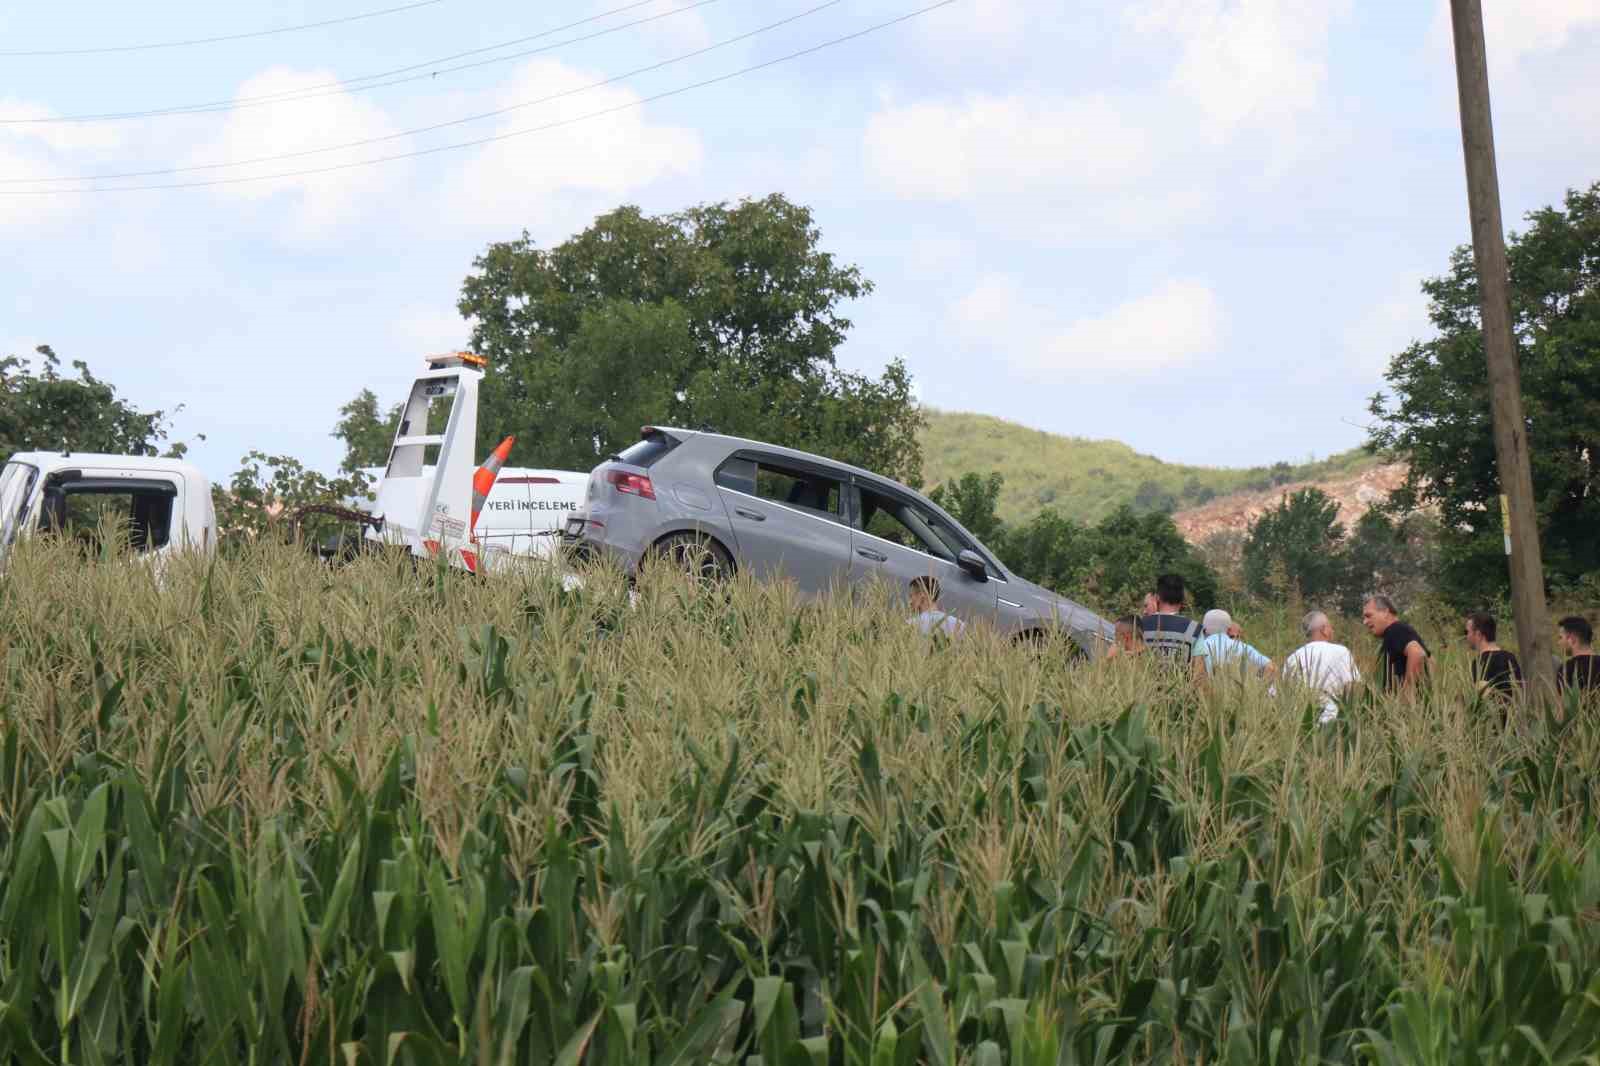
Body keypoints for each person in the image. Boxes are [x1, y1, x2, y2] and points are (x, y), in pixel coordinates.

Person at [1279, 610, 1361, 724]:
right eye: (1330, 627)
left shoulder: (1292, 658)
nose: (1332, 630)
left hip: (1302, 726)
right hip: (1334, 724)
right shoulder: (1341, 652)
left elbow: (1285, 695)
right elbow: (1351, 688)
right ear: (1324, 630)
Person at [1361, 595, 1430, 695]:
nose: (1365, 622)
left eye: (1368, 616)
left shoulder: (1395, 629)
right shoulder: (1401, 630)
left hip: (1403, 707)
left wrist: (1406, 694)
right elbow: (1430, 661)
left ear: (1385, 612)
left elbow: (1418, 653)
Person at [1191, 609, 1274, 682]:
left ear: (1204, 629)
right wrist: (1256, 683)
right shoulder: (1243, 647)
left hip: (1208, 695)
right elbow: (1271, 668)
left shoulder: (1198, 648)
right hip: (1239, 696)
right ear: (1229, 629)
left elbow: (1196, 678)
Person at [1139, 574, 1201, 663]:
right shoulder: (1195, 629)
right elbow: (1199, 673)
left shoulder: (1136, 626)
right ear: (1183, 599)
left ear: (1157, 597)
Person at [1465, 611, 1522, 700]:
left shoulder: (1478, 663)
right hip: (1515, 712)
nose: (1466, 636)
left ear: (1478, 634)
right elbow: (1519, 690)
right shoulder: (1510, 657)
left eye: (1467, 632)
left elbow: (1481, 699)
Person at [1558, 615, 1600, 695]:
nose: (1558, 643)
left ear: (1572, 639)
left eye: (1560, 638)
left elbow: (1562, 704)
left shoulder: (1566, 669)